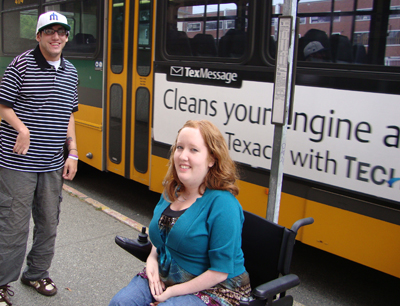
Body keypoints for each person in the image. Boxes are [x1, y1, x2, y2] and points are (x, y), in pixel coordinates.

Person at [109, 120, 251, 306]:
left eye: (194, 150)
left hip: (217, 288)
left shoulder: (224, 205)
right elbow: (161, 237)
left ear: (212, 159)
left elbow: (219, 272)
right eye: (180, 147)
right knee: (121, 303)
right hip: (166, 274)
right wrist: (152, 260)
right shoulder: (172, 191)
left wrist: (171, 293)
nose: (183, 156)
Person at [0, 11, 78, 305]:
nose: (56, 37)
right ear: (38, 36)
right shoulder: (19, 65)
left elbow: (70, 114)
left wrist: (73, 151)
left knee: (49, 221)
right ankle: (1, 282)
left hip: (51, 163)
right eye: (49, 31)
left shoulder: (71, 71)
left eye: (61, 31)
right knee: (12, 223)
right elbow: (3, 105)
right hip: (16, 162)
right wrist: (22, 128)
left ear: (67, 37)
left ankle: (36, 273)